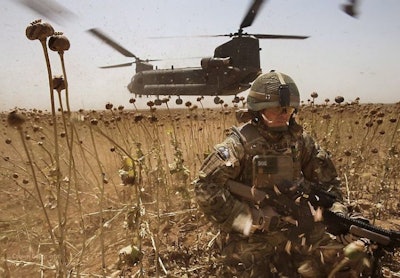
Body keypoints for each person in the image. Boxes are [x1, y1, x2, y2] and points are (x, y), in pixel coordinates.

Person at [193, 70, 371, 277]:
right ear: (257, 110)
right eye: (275, 109)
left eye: (287, 109)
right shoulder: (239, 144)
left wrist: (337, 213)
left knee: (350, 261)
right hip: (251, 237)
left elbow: (328, 183)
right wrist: (250, 218)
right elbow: (205, 188)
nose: (283, 115)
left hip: (300, 228)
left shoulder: (300, 141)